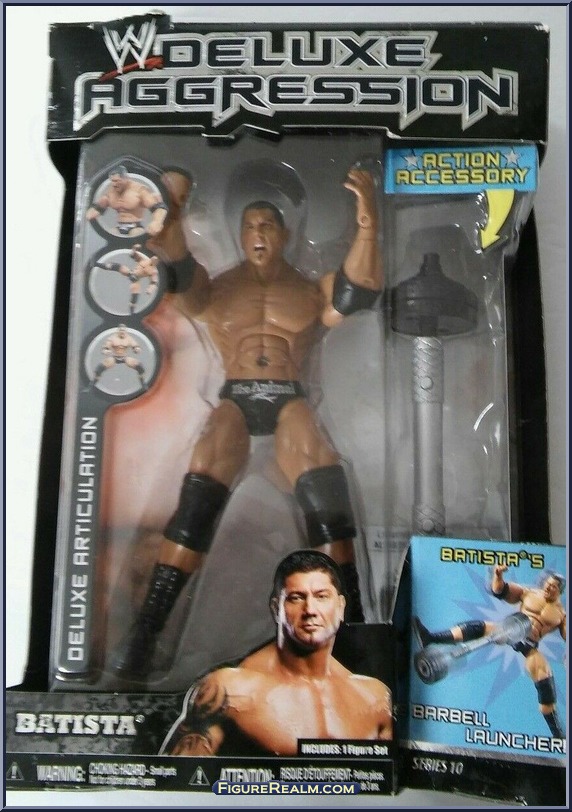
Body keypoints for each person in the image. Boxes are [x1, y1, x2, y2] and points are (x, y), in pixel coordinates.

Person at [111, 165, 383, 677]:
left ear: (285, 234)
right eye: (250, 226)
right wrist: (171, 212)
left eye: (268, 225)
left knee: (327, 492)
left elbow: (358, 289)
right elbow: (176, 271)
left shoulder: (310, 290)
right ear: (238, 235)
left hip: (288, 396)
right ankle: (147, 631)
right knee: (198, 495)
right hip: (236, 397)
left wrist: (368, 220)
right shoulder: (216, 290)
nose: (258, 234)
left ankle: (354, 630)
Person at [160, 550, 393, 755]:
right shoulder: (229, 689)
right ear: (276, 609)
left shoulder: (374, 697)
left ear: (340, 607)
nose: (310, 610)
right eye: (296, 598)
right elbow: (176, 779)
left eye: (321, 597)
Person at [413, 566, 566, 739]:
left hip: (529, 644)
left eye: (553, 586)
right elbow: (501, 591)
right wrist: (498, 575)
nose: (548, 587)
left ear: (559, 591)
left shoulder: (561, 615)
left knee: (545, 680)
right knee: (479, 627)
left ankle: (558, 735)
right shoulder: (530, 593)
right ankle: (430, 638)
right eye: (548, 583)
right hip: (510, 629)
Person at [86, 164, 167, 237]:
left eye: (117, 181)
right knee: (111, 234)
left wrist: (157, 222)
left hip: (135, 227)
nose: (114, 184)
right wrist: (89, 213)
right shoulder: (111, 192)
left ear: (125, 178)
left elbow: (159, 208)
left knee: (136, 235)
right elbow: (98, 207)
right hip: (119, 227)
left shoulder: (139, 190)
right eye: (112, 181)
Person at [98, 245, 159, 313]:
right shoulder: (144, 260)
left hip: (136, 279)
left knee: (135, 295)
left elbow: (154, 282)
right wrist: (135, 248)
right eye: (154, 257)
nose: (155, 259)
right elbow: (132, 255)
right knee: (117, 266)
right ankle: (97, 264)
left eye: (156, 259)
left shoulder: (153, 271)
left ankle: (131, 312)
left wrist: (150, 289)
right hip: (130, 272)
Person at [90, 324, 147, 391]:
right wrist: (106, 351)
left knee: (140, 367)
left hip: (125, 357)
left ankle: (143, 385)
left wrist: (137, 349)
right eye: (121, 330)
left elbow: (135, 346)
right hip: (114, 357)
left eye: (123, 330)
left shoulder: (129, 338)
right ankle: (91, 386)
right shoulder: (112, 338)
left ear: (125, 331)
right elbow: (105, 348)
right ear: (118, 331)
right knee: (99, 368)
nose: (122, 332)